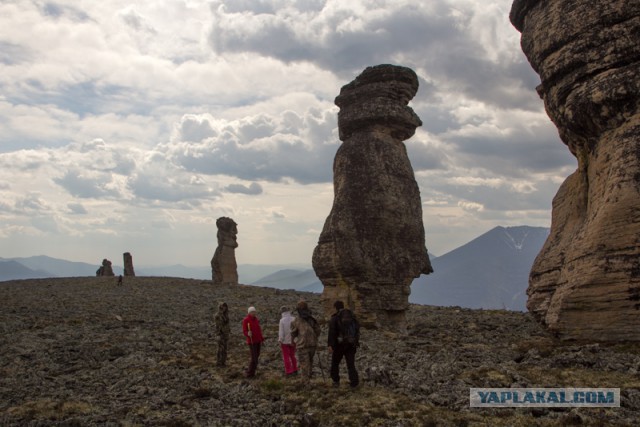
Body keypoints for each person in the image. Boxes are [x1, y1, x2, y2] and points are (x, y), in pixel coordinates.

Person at [328, 300, 360, 388]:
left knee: (335, 363)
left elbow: (332, 332)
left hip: (339, 345)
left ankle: (336, 381)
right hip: (351, 344)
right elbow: (357, 330)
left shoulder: (334, 318)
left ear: (335, 308)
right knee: (351, 364)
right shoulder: (352, 317)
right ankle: (354, 382)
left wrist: (330, 345)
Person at [290, 301, 321, 383]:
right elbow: (318, 331)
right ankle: (309, 378)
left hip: (302, 345)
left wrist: (292, 341)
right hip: (312, 345)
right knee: (310, 362)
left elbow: (293, 333)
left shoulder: (297, 320)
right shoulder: (312, 319)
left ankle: (305, 382)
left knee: (304, 364)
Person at [242, 306, 264, 378]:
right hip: (252, 341)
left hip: (258, 340)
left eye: (254, 312)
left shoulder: (256, 319)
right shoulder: (246, 320)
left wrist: (261, 339)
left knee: (256, 356)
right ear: (249, 312)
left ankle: (252, 372)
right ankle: (249, 373)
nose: (254, 313)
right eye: (252, 312)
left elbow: (258, 330)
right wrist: (247, 333)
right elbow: (244, 330)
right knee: (254, 358)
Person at [278, 306, 298, 376]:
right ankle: (295, 369)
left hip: (285, 342)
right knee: (293, 355)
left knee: (286, 357)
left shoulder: (282, 320)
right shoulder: (294, 319)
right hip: (293, 341)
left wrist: (280, 340)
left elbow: (281, 332)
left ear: (282, 312)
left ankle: (289, 371)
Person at [214, 302, 230, 367]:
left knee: (225, 349)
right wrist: (218, 334)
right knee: (220, 349)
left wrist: (228, 332)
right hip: (220, 334)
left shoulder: (226, 315)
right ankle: (219, 362)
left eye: (225, 307)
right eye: (223, 307)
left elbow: (227, 325)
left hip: (226, 334)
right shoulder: (218, 315)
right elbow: (217, 326)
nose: (224, 308)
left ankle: (223, 362)